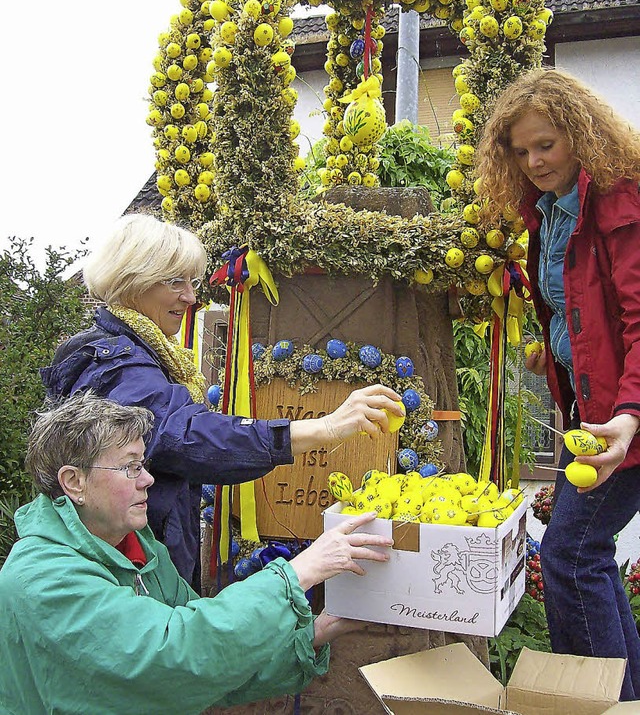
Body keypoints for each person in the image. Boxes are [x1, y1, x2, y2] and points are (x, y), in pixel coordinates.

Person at [41, 213, 403, 589]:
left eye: (192, 281)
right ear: (134, 283)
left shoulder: (142, 354)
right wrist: (323, 427)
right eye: (174, 281)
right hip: (131, 569)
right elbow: (181, 434)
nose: (191, 296)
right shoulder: (118, 363)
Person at [0, 392, 393, 715]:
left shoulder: (139, 550)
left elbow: (209, 668)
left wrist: (315, 633)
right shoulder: (43, 577)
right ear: (74, 482)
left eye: (144, 464)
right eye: (131, 468)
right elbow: (176, 655)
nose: (149, 480)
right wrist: (296, 574)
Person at [476, 67, 640, 700]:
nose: (534, 160)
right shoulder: (547, 214)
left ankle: (597, 706)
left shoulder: (620, 203)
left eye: (546, 144)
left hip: (625, 419)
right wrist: (562, 356)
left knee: (571, 556)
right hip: (602, 411)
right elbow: (579, 308)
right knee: (588, 555)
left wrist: (626, 417)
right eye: (521, 150)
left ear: (580, 135)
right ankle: (624, 702)